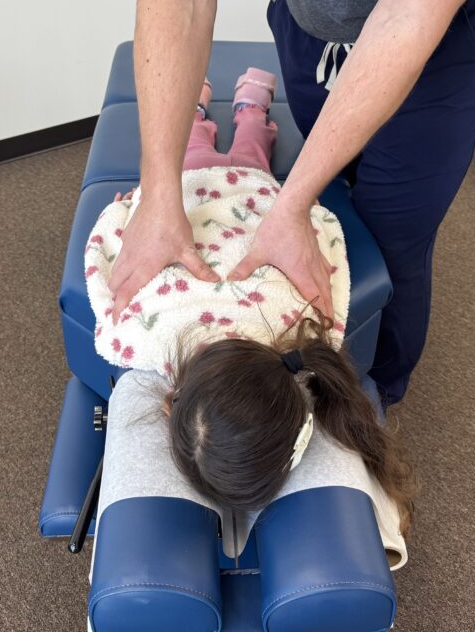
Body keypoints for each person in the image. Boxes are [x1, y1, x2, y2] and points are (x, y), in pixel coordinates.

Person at [108, 0, 475, 406]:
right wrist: (158, 192)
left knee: (392, 243)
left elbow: (406, 15)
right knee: (333, 212)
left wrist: (291, 205)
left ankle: (374, 396)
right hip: (309, 11)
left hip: (435, 29)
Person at [85, 69, 416, 530]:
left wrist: (310, 217)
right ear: (172, 397)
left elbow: (325, 257)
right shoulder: (143, 330)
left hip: (255, 193)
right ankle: (200, 99)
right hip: (195, 189)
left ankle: (249, 103)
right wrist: (124, 211)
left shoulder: (301, 327)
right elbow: (106, 266)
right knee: (194, 142)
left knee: (250, 149)